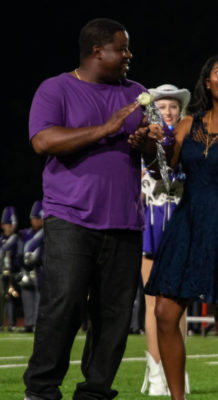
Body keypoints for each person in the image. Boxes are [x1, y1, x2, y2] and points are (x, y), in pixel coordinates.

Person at [23, 18, 163, 400]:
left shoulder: (138, 92)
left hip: (125, 221)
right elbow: (43, 140)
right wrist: (108, 126)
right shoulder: (57, 88)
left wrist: (146, 143)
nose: (129, 55)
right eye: (123, 48)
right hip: (71, 217)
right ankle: (41, 390)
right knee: (63, 305)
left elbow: (152, 163)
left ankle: (96, 392)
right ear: (97, 51)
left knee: (113, 317)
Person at [145, 53, 218, 400]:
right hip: (189, 221)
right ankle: (178, 397)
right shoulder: (188, 123)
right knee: (164, 310)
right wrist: (153, 143)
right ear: (206, 82)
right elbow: (162, 168)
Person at [140, 84, 191, 396]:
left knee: (178, 305)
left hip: (181, 224)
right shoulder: (141, 141)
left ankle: (177, 371)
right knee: (151, 305)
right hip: (152, 223)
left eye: (173, 106)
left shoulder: (187, 140)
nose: (169, 111)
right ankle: (156, 370)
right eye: (163, 106)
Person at [17, 200, 44, 333]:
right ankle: (29, 324)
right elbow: (19, 253)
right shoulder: (25, 234)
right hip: (28, 270)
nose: (34, 221)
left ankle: (38, 324)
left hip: (42, 270)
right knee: (27, 297)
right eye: (32, 218)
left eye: (37, 218)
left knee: (41, 299)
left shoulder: (47, 233)